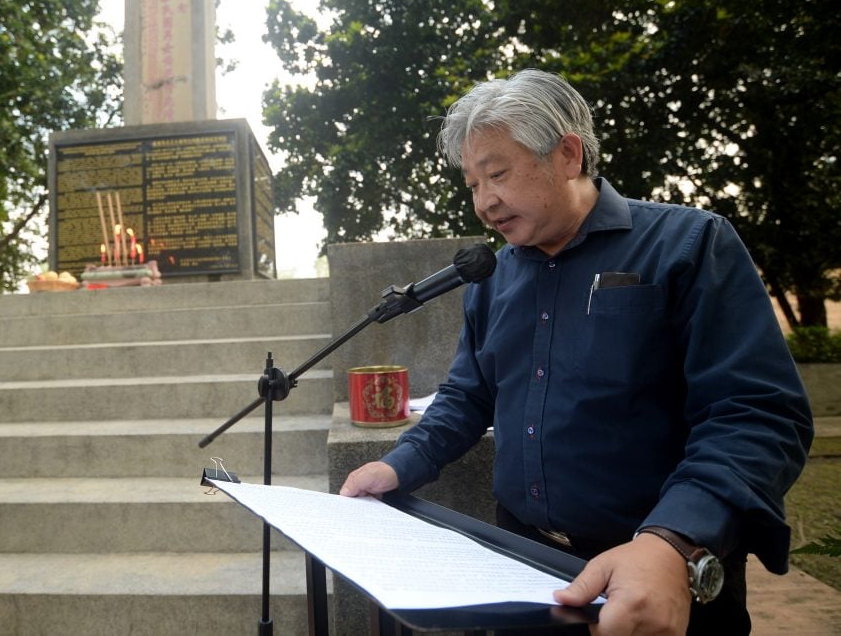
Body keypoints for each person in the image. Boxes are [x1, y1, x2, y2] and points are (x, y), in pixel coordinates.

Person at [339, 69, 814, 635]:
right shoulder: (492, 279)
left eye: (498, 174)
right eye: (471, 184)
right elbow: (468, 396)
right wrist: (396, 466)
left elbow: (756, 414)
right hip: (517, 563)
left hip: (650, 571)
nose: (485, 203)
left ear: (567, 154)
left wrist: (672, 540)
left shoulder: (687, 245)